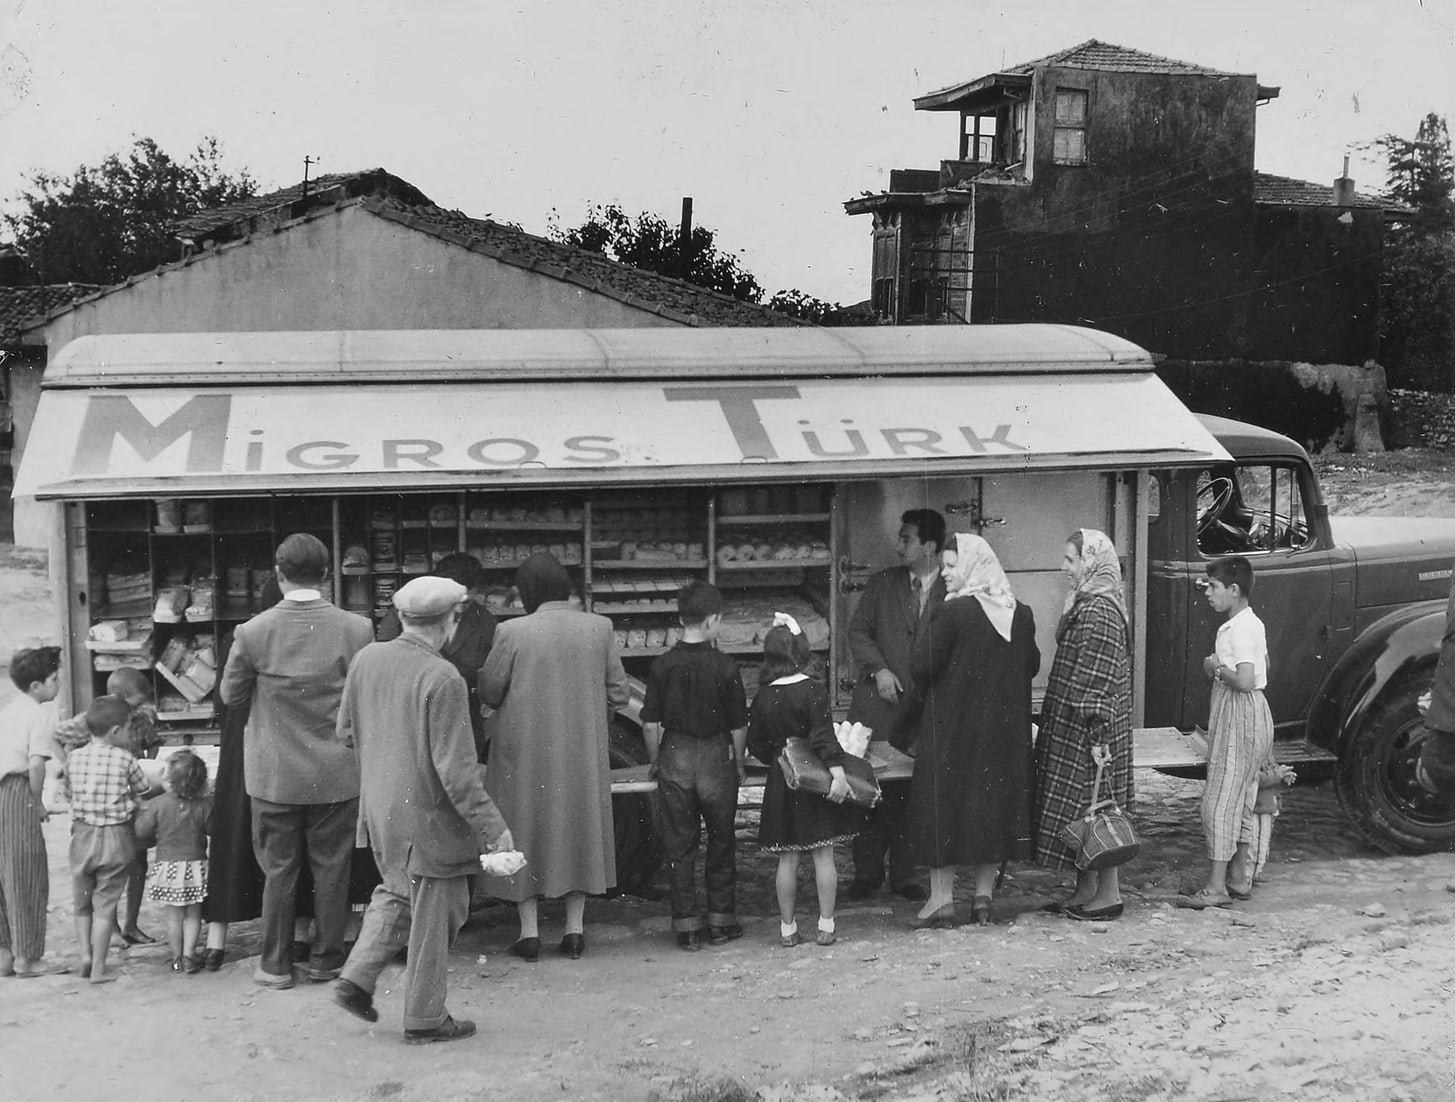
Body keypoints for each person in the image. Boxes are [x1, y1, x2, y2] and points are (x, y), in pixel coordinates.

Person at [333, 575, 515, 1044]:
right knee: (440, 910)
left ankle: (356, 978)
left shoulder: (367, 659)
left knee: (396, 893)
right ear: (451, 620)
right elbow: (456, 772)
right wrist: (495, 829)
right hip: (428, 819)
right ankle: (425, 1017)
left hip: (379, 811)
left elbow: (346, 733)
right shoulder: (443, 677)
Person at [219, 532, 374, 988]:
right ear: (327, 574)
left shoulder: (253, 632)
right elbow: (362, 697)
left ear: (278, 573)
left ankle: (275, 965)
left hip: (274, 774)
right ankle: (328, 960)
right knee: (332, 869)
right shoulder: (355, 628)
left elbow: (231, 695)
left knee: (279, 870)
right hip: (337, 773)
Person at [479, 552, 630, 962]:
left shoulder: (511, 631)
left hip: (522, 753)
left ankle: (528, 934)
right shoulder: (599, 627)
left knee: (523, 826)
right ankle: (575, 930)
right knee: (577, 828)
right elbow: (618, 692)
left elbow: (490, 690)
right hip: (581, 751)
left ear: (527, 592)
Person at [905, 534, 1039, 929]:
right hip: (1003, 734)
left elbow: (920, 667)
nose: (943, 573)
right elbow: (1030, 664)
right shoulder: (1021, 612)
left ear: (969, 567)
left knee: (943, 807)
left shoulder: (952, 612)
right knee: (992, 809)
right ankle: (983, 899)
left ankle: (941, 900)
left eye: (949, 566)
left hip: (952, 731)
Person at [842, 508, 945, 904]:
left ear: (929, 546)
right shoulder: (883, 585)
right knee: (868, 792)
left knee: (911, 796)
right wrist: (880, 669)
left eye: (907, 539)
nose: (898, 545)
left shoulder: (951, 590)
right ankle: (867, 874)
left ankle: (904, 875)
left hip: (922, 714)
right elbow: (858, 632)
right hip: (877, 709)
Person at [1032, 529, 1135, 922]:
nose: (1064, 568)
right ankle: (1085, 889)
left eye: (1071, 560)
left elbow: (1097, 680)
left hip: (1091, 731)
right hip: (1078, 725)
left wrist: (1097, 735)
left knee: (1099, 809)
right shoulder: (1087, 603)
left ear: (1093, 562)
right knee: (1084, 810)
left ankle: (1109, 894)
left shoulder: (1099, 612)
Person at [641, 581, 749, 952]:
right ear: (712, 620)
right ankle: (721, 921)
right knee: (722, 842)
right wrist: (740, 762)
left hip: (676, 754)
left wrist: (656, 761)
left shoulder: (661, 664)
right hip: (717, 755)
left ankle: (687, 926)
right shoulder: (725, 665)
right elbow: (738, 724)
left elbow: (650, 723)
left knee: (680, 845)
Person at [747, 615, 867, 948]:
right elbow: (824, 740)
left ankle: (787, 929)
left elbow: (756, 745)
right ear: (801, 652)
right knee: (823, 856)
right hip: (814, 780)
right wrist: (839, 777)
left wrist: (778, 758)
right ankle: (826, 925)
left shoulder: (762, 697)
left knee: (787, 858)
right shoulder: (813, 690)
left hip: (781, 779)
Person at [1179, 555, 1273, 909]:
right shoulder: (1252, 623)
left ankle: (1216, 887)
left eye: (1213, 587)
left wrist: (1216, 668)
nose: (1208, 593)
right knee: (1243, 798)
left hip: (1238, 715)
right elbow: (1265, 669)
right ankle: (1238, 877)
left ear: (1234, 590)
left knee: (1219, 800)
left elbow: (1246, 680)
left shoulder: (1239, 628)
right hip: (1254, 715)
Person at [52, 665, 161, 949]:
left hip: (129, 804)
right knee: (107, 872)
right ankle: (109, 928)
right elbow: (57, 735)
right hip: (101, 810)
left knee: (138, 864)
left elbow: (153, 743)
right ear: (120, 697)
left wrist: (146, 760)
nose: (143, 707)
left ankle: (131, 925)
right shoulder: (92, 718)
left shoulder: (141, 718)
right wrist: (67, 765)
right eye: (137, 701)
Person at [64, 694, 156, 983]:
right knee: (105, 905)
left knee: (83, 902)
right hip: (116, 837)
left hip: (81, 835)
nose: (130, 734)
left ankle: (85, 954)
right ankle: (100, 968)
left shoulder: (73, 758)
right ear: (116, 731)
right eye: (128, 729)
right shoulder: (125, 758)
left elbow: (68, 794)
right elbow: (143, 789)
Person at [377, 552, 497, 761]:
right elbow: (385, 664)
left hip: (462, 726)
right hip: (408, 723)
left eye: (466, 603)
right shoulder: (404, 614)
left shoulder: (484, 622)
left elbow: (490, 679)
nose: (459, 609)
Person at [0, 646, 63, 978]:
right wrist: (38, 802)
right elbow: (36, 763)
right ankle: (27, 957)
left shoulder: (10, 710)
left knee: (3, 873)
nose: (58, 684)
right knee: (26, 872)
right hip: (18, 790)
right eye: (54, 679)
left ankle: (5, 954)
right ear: (37, 685)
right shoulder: (41, 713)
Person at [134, 749, 213, 974]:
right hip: (196, 865)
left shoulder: (158, 804)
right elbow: (212, 829)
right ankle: (190, 955)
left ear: (169, 780)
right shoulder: (205, 804)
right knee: (194, 914)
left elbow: (142, 831)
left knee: (174, 918)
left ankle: (177, 958)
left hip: (168, 867)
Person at [1250, 758, 1296, 884]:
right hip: (1260, 809)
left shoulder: (1267, 758)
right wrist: (1278, 775)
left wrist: (1283, 776)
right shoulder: (1253, 760)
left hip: (1268, 808)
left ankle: (1256, 872)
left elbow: (1272, 772)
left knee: (1263, 845)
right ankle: (1249, 876)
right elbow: (1255, 779)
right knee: (1256, 845)